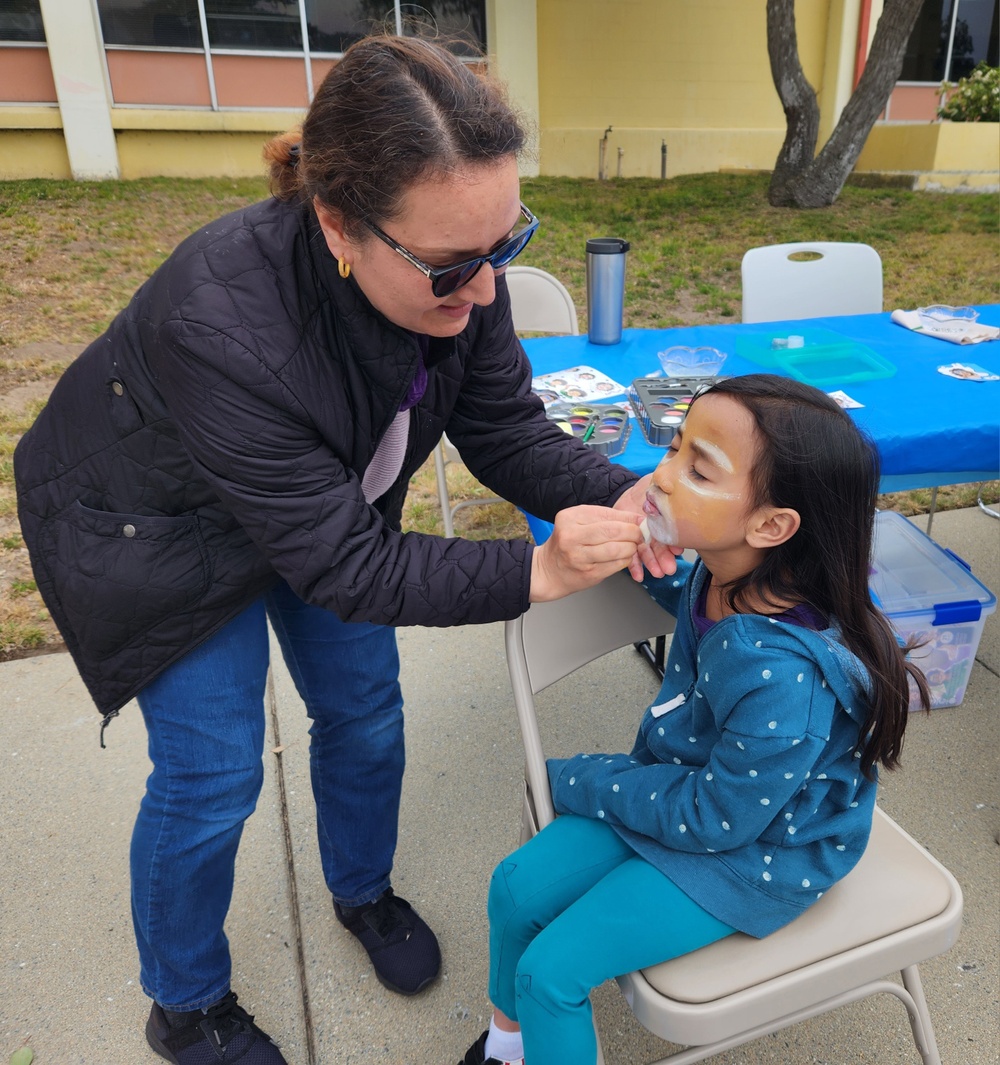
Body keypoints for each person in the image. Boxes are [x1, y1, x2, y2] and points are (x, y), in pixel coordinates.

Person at [13, 35, 674, 1065]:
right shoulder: (218, 319)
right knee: (213, 774)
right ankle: (183, 1000)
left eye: (509, 245)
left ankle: (361, 891)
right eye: (456, 267)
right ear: (336, 223)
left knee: (363, 713)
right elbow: (349, 569)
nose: (488, 292)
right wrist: (533, 569)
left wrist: (628, 492)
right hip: (159, 532)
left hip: (314, 510)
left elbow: (502, 429)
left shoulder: (460, 273)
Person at [460, 374, 930, 1065]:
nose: (661, 475)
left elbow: (715, 822)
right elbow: (689, 600)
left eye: (698, 468)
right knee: (514, 887)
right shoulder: (722, 573)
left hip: (757, 855)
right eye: (675, 447)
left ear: (771, 526)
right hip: (689, 791)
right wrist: (644, 558)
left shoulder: (784, 679)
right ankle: (506, 1048)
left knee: (550, 972)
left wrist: (588, 781)